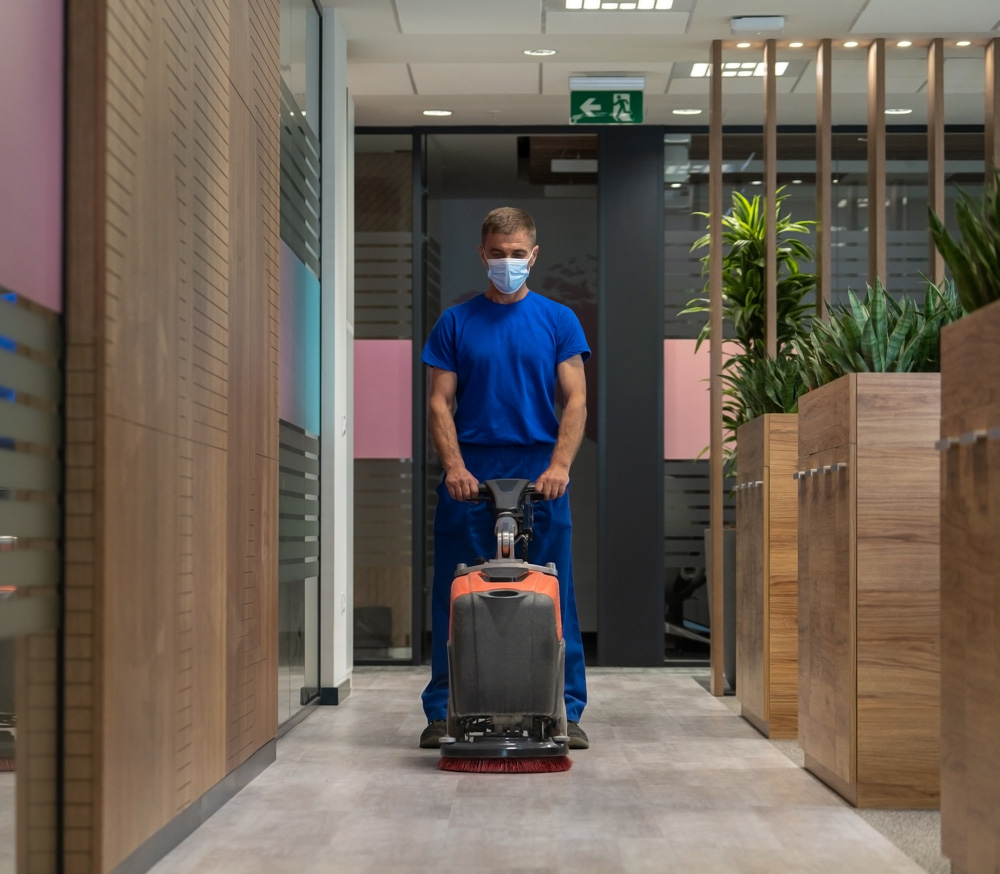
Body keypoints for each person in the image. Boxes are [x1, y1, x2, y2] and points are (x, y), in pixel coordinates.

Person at [418, 206, 591, 751]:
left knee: (555, 590)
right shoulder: (456, 322)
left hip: (541, 473)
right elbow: (439, 403)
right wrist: (454, 468)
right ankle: (445, 712)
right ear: (482, 254)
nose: (508, 263)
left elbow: (577, 399)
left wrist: (559, 466)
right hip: (471, 474)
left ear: (533, 256)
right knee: (455, 590)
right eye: (498, 254)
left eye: (518, 255)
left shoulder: (559, 320)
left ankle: (566, 709)